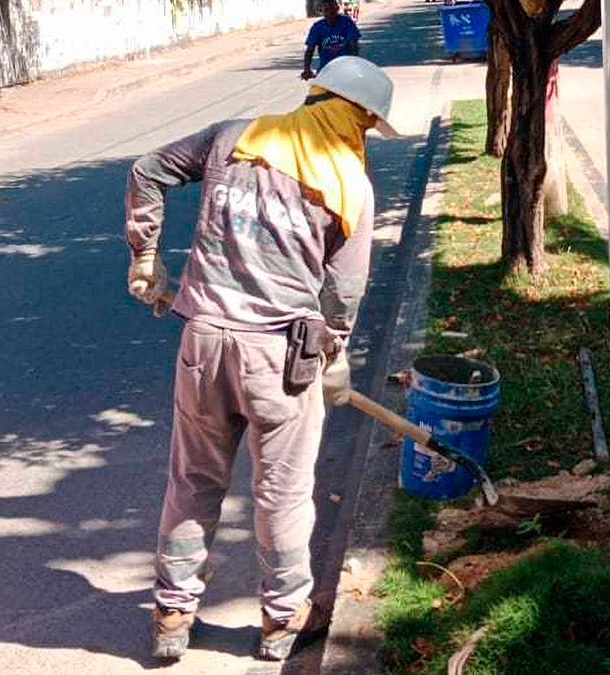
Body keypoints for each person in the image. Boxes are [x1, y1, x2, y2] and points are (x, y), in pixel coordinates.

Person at [124, 56, 396, 662]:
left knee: (193, 480)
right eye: (369, 128)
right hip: (280, 357)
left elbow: (148, 170)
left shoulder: (233, 138)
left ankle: (172, 611)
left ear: (314, 97)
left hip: (204, 343)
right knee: (282, 491)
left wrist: (146, 254)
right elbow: (342, 293)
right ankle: (283, 618)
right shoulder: (350, 183)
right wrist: (337, 350)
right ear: (358, 119)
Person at [302, 0, 361, 81]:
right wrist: (306, 69)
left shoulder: (346, 22)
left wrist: (355, 63)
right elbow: (310, 49)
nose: (329, 13)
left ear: (337, 9)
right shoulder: (317, 27)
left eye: (332, 9)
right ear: (321, 11)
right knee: (315, 93)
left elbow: (353, 44)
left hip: (346, 69)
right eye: (326, 10)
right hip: (326, 71)